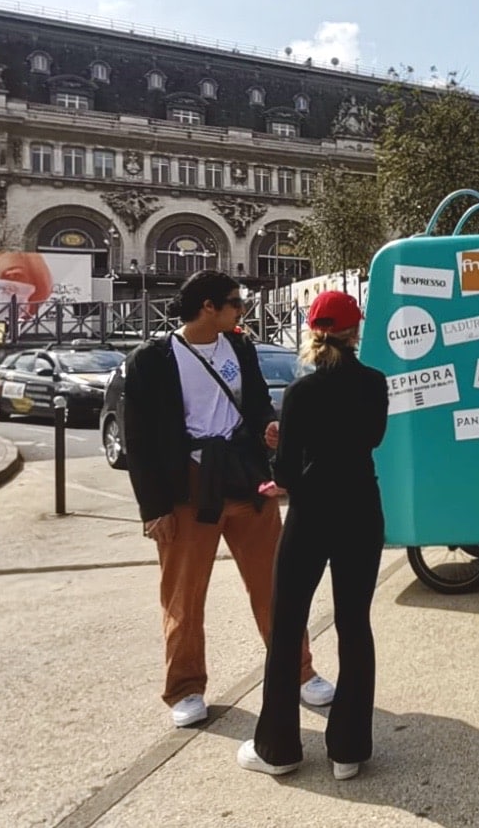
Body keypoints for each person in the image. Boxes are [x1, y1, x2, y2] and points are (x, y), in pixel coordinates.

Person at [123, 270, 334, 728]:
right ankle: (185, 689)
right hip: (188, 486)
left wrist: (267, 428)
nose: (242, 310)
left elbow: (256, 401)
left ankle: (299, 672)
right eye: (236, 303)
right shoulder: (152, 359)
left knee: (277, 583)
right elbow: (138, 441)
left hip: (244, 478)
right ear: (208, 307)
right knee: (183, 594)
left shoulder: (239, 346)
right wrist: (152, 508)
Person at [239, 291, 389, 780]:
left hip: (311, 515)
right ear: (354, 331)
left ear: (312, 331)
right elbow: (371, 439)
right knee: (354, 624)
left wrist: (286, 446)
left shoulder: (300, 393)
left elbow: (285, 474)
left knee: (286, 627)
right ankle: (348, 750)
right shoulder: (374, 383)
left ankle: (278, 750)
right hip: (362, 511)